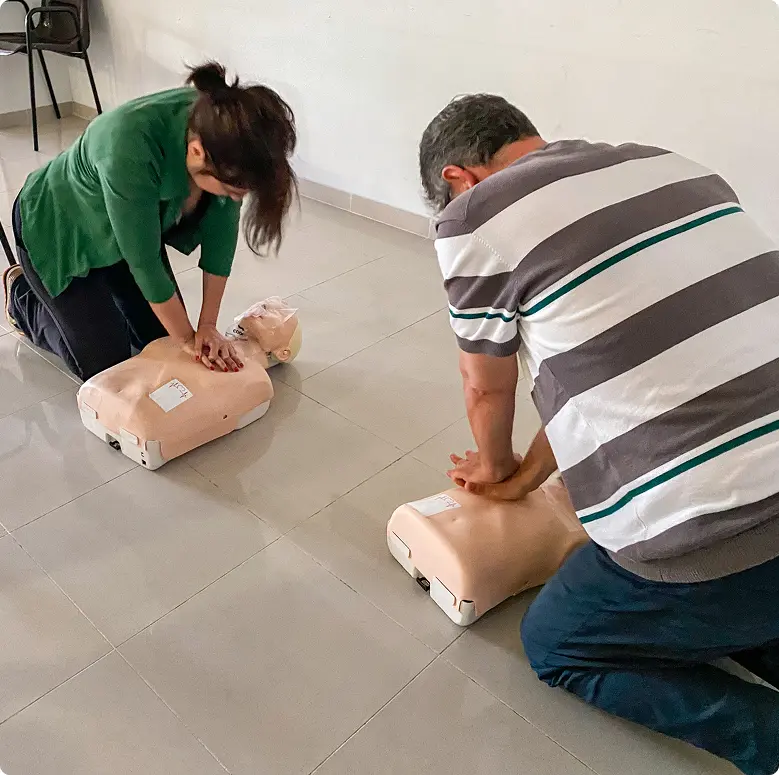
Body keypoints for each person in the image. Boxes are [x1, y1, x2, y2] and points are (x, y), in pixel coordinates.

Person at [419, 94, 779, 775]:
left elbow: (484, 385)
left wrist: (494, 469)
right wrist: (530, 472)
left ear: (455, 178)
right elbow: (607, 362)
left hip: (721, 529)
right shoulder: (666, 164)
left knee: (558, 642)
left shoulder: (471, 215)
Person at [2, 62, 297, 381]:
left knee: (159, 341)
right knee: (106, 366)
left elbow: (220, 242)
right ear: (197, 152)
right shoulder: (128, 145)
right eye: (232, 190)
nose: (237, 199)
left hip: (125, 228)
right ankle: (22, 296)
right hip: (59, 229)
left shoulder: (224, 134)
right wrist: (187, 340)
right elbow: (145, 263)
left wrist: (207, 327)